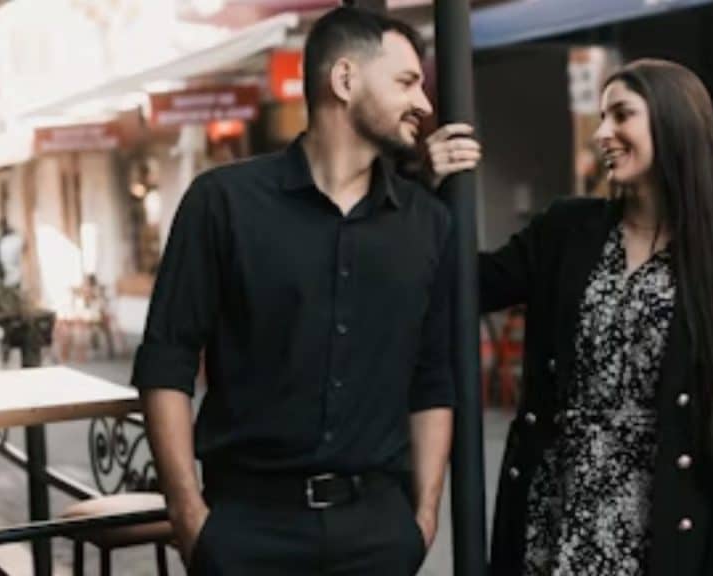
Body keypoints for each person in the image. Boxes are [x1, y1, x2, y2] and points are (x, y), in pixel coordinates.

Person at [132, 7, 477, 575]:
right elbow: (165, 361)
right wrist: (189, 515)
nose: (424, 104)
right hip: (247, 531)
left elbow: (431, 377)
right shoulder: (222, 203)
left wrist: (423, 518)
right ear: (344, 80)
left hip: (378, 534)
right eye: (406, 82)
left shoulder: (427, 222)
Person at [432, 58, 713, 575]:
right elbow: (465, 285)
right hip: (555, 513)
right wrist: (429, 191)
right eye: (602, 117)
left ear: (673, 121)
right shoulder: (566, 230)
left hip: (658, 527)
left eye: (621, 115)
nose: (603, 134)